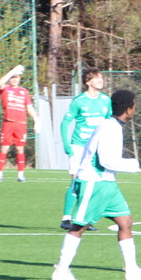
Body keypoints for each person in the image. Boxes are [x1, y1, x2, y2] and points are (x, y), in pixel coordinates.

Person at [51, 89, 141, 280]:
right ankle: (61, 271)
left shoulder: (113, 125)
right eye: (134, 104)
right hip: (94, 182)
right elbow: (107, 160)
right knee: (79, 226)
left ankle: (132, 270)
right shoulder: (110, 128)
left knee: (125, 222)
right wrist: (133, 165)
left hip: (107, 184)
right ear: (129, 108)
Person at [58, 68, 111, 230]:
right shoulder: (79, 101)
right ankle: (66, 218)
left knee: (94, 183)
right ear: (88, 82)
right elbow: (65, 123)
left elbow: (110, 123)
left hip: (96, 149)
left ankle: (84, 219)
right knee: (77, 181)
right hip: (79, 147)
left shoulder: (106, 100)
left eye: (101, 78)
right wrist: (67, 146)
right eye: (96, 78)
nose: (100, 80)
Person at [0, 65, 39, 182]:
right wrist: (12, 71)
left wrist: (36, 119)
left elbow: (29, 107)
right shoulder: (6, 89)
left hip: (21, 124)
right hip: (8, 122)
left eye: (17, 77)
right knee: (4, 148)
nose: (14, 79)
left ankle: (20, 175)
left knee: (20, 149)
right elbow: (0, 82)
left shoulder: (24, 91)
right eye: (12, 77)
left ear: (20, 78)